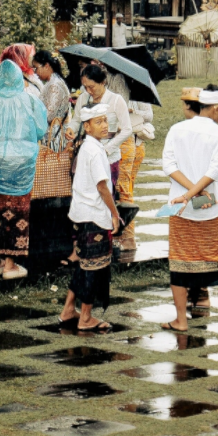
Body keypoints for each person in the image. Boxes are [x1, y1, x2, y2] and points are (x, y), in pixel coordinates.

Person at [161, 84, 218, 332]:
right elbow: (213, 172)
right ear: (217, 107)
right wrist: (197, 192)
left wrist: (188, 193)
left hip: (180, 208)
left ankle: (181, 319)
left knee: (180, 261)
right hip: (211, 208)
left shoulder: (176, 129)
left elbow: (168, 166)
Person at [0, 60, 47, 280]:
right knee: (19, 212)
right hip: (22, 166)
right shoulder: (31, 101)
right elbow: (41, 129)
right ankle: (11, 264)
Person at [58, 104, 121, 332]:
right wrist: (115, 213)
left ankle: (67, 310)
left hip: (82, 213)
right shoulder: (93, 150)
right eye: (98, 122)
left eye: (105, 120)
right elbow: (102, 185)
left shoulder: (88, 146)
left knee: (83, 263)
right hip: (94, 215)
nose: (105, 126)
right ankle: (85, 317)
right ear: (86, 126)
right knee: (93, 267)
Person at [64, 64, 131, 265]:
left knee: (104, 197)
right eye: (85, 86)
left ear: (103, 83)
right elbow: (77, 121)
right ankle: (78, 248)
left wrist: (107, 148)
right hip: (87, 153)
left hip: (108, 155)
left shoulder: (116, 100)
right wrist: (71, 130)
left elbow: (127, 130)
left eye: (92, 86)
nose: (88, 91)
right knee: (83, 197)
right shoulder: (83, 98)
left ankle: (104, 245)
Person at [179, 87, 209, 314]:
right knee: (200, 242)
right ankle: (199, 292)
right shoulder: (213, 130)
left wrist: (192, 190)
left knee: (190, 243)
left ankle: (197, 291)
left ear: (188, 107)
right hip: (203, 192)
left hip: (186, 192)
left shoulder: (179, 131)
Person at [117, 99, 154, 251]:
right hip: (125, 143)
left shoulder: (136, 95)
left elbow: (149, 115)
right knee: (125, 189)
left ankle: (127, 236)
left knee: (125, 190)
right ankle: (123, 234)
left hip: (135, 144)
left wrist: (132, 112)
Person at [32, 49, 70, 150]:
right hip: (53, 133)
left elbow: (48, 115)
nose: (35, 72)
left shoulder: (55, 85)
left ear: (47, 66)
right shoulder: (54, 82)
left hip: (54, 136)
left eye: (36, 68)